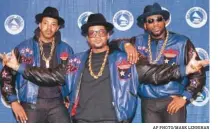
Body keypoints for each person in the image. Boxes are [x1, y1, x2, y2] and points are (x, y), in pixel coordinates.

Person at [0, 13, 208, 123]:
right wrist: (18, 67)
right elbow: (48, 76)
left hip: (114, 122)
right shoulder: (75, 61)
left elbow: (154, 73)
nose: (97, 36)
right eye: (92, 33)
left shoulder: (123, 59)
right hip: (81, 123)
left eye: (101, 32)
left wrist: (184, 70)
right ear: (87, 38)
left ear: (108, 35)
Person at [120, 3, 207, 123]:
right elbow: (112, 45)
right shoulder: (137, 42)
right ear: (145, 25)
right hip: (148, 103)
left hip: (172, 102)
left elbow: (198, 73)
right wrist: (126, 44)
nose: (155, 24)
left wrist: (185, 97)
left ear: (165, 21)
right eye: (150, 21)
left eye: (159, 19)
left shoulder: (182, 42)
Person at [0, 6, 74, 123]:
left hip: (58, 104)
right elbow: (6, 76)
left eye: (53, 24)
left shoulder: (66, 49)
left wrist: (68, 98)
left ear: (58, 27)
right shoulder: (23, 48)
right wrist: (13, 102)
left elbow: (70, 78)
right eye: (45, 23)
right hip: (31, 105)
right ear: (39, 25)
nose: (49, 28)